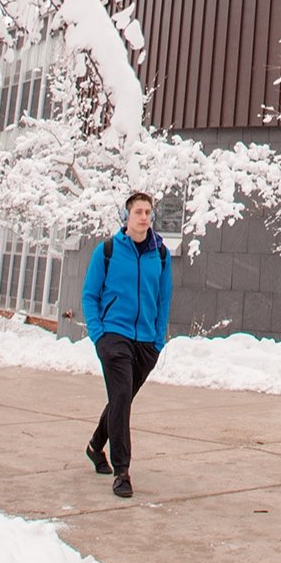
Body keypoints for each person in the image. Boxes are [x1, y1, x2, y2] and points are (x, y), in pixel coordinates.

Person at [82, 191, 172, 498]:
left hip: (146, 342)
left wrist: (158, 340)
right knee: (121, 397)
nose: (144, 217)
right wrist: (99, 334)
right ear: (127, 217)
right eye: (138, 212)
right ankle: (122, 471)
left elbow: (163, 299)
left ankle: (95, 445)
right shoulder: (107, 251)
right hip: (114, 336)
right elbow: (90, 295)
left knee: (121, 400)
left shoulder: (160, 254)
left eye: (148, 212)